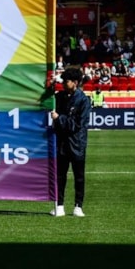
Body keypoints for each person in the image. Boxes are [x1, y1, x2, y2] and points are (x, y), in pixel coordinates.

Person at [50, 67, 91, 217]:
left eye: (66, 81)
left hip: (77, 144)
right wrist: (49, 86)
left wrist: (58, 118)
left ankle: (78, 206)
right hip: (61, 143)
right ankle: (59, 205)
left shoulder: (84, 100)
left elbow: (77, 125)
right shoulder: (59, 97)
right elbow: (46, 99)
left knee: (79, 177)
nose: (63, 84)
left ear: (75, 82)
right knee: (60, 176)